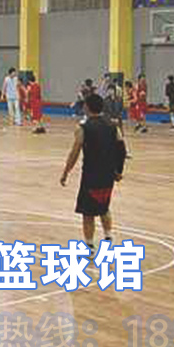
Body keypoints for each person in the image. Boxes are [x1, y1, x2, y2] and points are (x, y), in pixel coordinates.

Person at [60, 93, 127, 256]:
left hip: (91, 174)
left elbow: (74, 153)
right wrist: (119, 171)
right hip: (108, 174)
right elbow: (122, 150)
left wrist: (66, 172)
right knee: (104, 207)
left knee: (88, 213)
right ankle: (108, 237)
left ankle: (89, 246)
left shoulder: (83, 128)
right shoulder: (113, 126)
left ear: (86, 107)